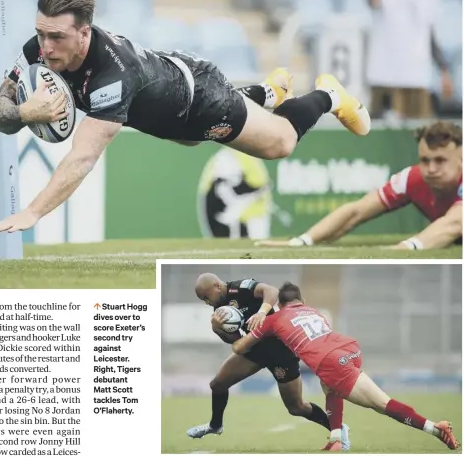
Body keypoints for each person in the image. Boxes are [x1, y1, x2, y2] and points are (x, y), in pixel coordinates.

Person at [0, 0, 370, 235]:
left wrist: (32, 212)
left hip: (198, 98)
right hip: (161, 103)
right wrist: (25, 113)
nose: (45, 47)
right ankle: (267, 94)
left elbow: (82, 158)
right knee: (187, 140)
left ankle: (330, 95)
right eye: (39, 34)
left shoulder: (112, 75)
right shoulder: (37, 51)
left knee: (279, 143)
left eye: (56, 37)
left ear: (84, 33)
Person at [232, 282, 460, 451]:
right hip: (348, 348)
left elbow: (239, 348)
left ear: (280, 304)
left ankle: (434, 428)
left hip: (331, 361)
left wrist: (234, 327)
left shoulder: (274, 319)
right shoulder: (314, 311)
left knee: (381, 404)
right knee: (329, 386)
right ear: (300, 300)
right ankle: (335, 439)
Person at [187, 273, 351, 449]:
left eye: (206, 297)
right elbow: (234, 339)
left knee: (296, 407)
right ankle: (215, 425)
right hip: (254, 349)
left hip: (280, 350)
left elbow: (271, 290)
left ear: (217, 286)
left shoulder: (240, 287)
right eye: (202, 300)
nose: (206, 302)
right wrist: (218, 329)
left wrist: (261, 312)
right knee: (217, 384)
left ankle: (338, 428)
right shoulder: (219, 307)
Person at [256, 121, 462, 250]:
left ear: (461, 158)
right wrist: (302, 241)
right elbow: (357, 211)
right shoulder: (412, 178)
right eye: (425, 160)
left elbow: (454, 223)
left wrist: (405, 248)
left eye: (440, 160)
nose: (431, 168)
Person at [366, 0, 453, 120]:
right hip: (384, 75)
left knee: (421, 139)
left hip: (416, 75)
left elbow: (429, 29)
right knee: (378, 138)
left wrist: (444, 69)